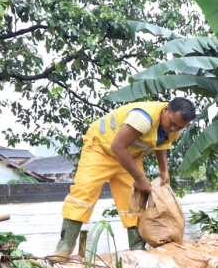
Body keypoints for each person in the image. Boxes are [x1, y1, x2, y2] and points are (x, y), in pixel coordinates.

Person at [55, 98, 196, 257]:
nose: (173, 128)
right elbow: (117, 146)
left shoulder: (174, 127)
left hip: (130, 157)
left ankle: (137, 250)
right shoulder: (143, 117)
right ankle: (64, 248)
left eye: (179, 127)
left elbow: (162, 144)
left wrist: (164, 171)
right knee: (83, 195)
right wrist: (141, 179)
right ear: (166, 110)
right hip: (101, 149)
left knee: (134, 203)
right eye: (172, 123)